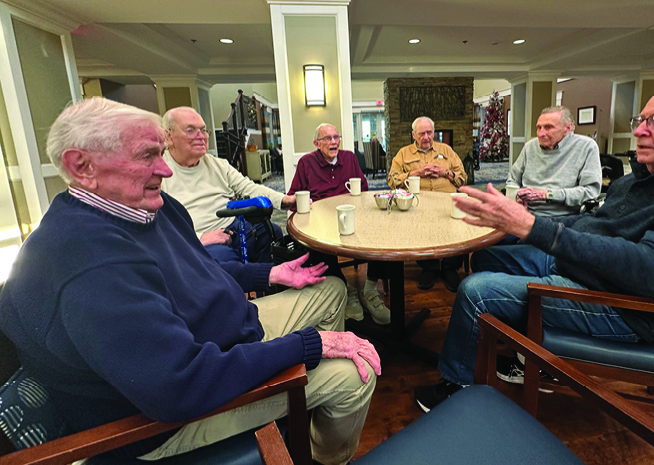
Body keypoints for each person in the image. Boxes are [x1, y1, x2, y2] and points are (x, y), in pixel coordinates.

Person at [0, 98, 380, 465]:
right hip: (165, 418)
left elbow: (199, 268)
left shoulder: (148, 208)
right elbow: (180, 385)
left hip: (223, 337)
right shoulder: (87, 262)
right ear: (81, 166)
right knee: (352, 378)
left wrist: (271, 273)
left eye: (160, 153)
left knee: (330, 290)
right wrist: (305, 345)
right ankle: (318, 454)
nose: (165, 170)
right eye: (147, 155)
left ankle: (296, 415)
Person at [414, 85, 654, 412]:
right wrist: (527, 224)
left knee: (477, 291)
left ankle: (456, 388)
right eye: (641, 120)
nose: (639, 132)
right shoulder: (648, 176)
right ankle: (527, 354)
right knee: (488, 256)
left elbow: (652, 268)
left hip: (628, 308)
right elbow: (595, 225)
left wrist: (532, 227)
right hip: (588, 273)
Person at [160, 107, 295, 263]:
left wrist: (284, 200)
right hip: (196, 238)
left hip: (233, 226)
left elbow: (249, 187)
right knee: (224, 259)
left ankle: (268, 283)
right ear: (168, 136)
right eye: (190, 130)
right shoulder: (158, 173)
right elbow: (156, 225)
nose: (201, 136)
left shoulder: (218, 164)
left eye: (203, 130)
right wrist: (199, 238)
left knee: (272, 233)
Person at [287, 123, 391, 325]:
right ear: (317, 143)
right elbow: (293, 197)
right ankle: (345, 288)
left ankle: (370, 290)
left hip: (352, 213)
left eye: (336, 137)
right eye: (327, 138)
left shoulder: (349, 158)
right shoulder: (306, 163)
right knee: (317, 242)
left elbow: (363, 186)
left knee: (381, 232)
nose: (333, 142)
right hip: (321, 218)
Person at [389, 116, 468, 292]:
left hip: (447, 203)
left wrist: (444, 172)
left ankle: (450, 267)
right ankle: (430, 267)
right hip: (418, 205)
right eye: (422, 133)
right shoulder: (403, 154)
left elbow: (462, 178)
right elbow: (392, 180)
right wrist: (415, 173)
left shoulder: (446, 150)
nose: (426, 137)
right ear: (414, 135)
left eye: (429, 132)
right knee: (415, 225)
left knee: (462, 225)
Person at [506, 106, 601, 217]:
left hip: (564, 217)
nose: (540, 133)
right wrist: (516, 198)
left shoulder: (586, 146)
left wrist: (549, 195)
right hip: (525, 214)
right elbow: (512, 180)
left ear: (568, 128)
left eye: (548, 127)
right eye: (539, 127)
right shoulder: (530, 146)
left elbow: (590, 192)